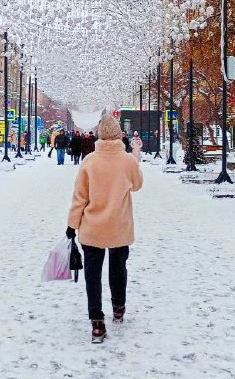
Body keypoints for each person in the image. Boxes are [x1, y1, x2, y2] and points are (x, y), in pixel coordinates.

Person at [66, 115, 143, 343]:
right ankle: (118, 307)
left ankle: (97, 323)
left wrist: (72, 225)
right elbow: (137, 185)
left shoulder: (89, 161)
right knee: (119, 268)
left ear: (100, 134)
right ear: (119, 134)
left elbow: (79, 198)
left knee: (93, 274)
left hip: (92, 227)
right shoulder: (128, 161)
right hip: (119, 226)